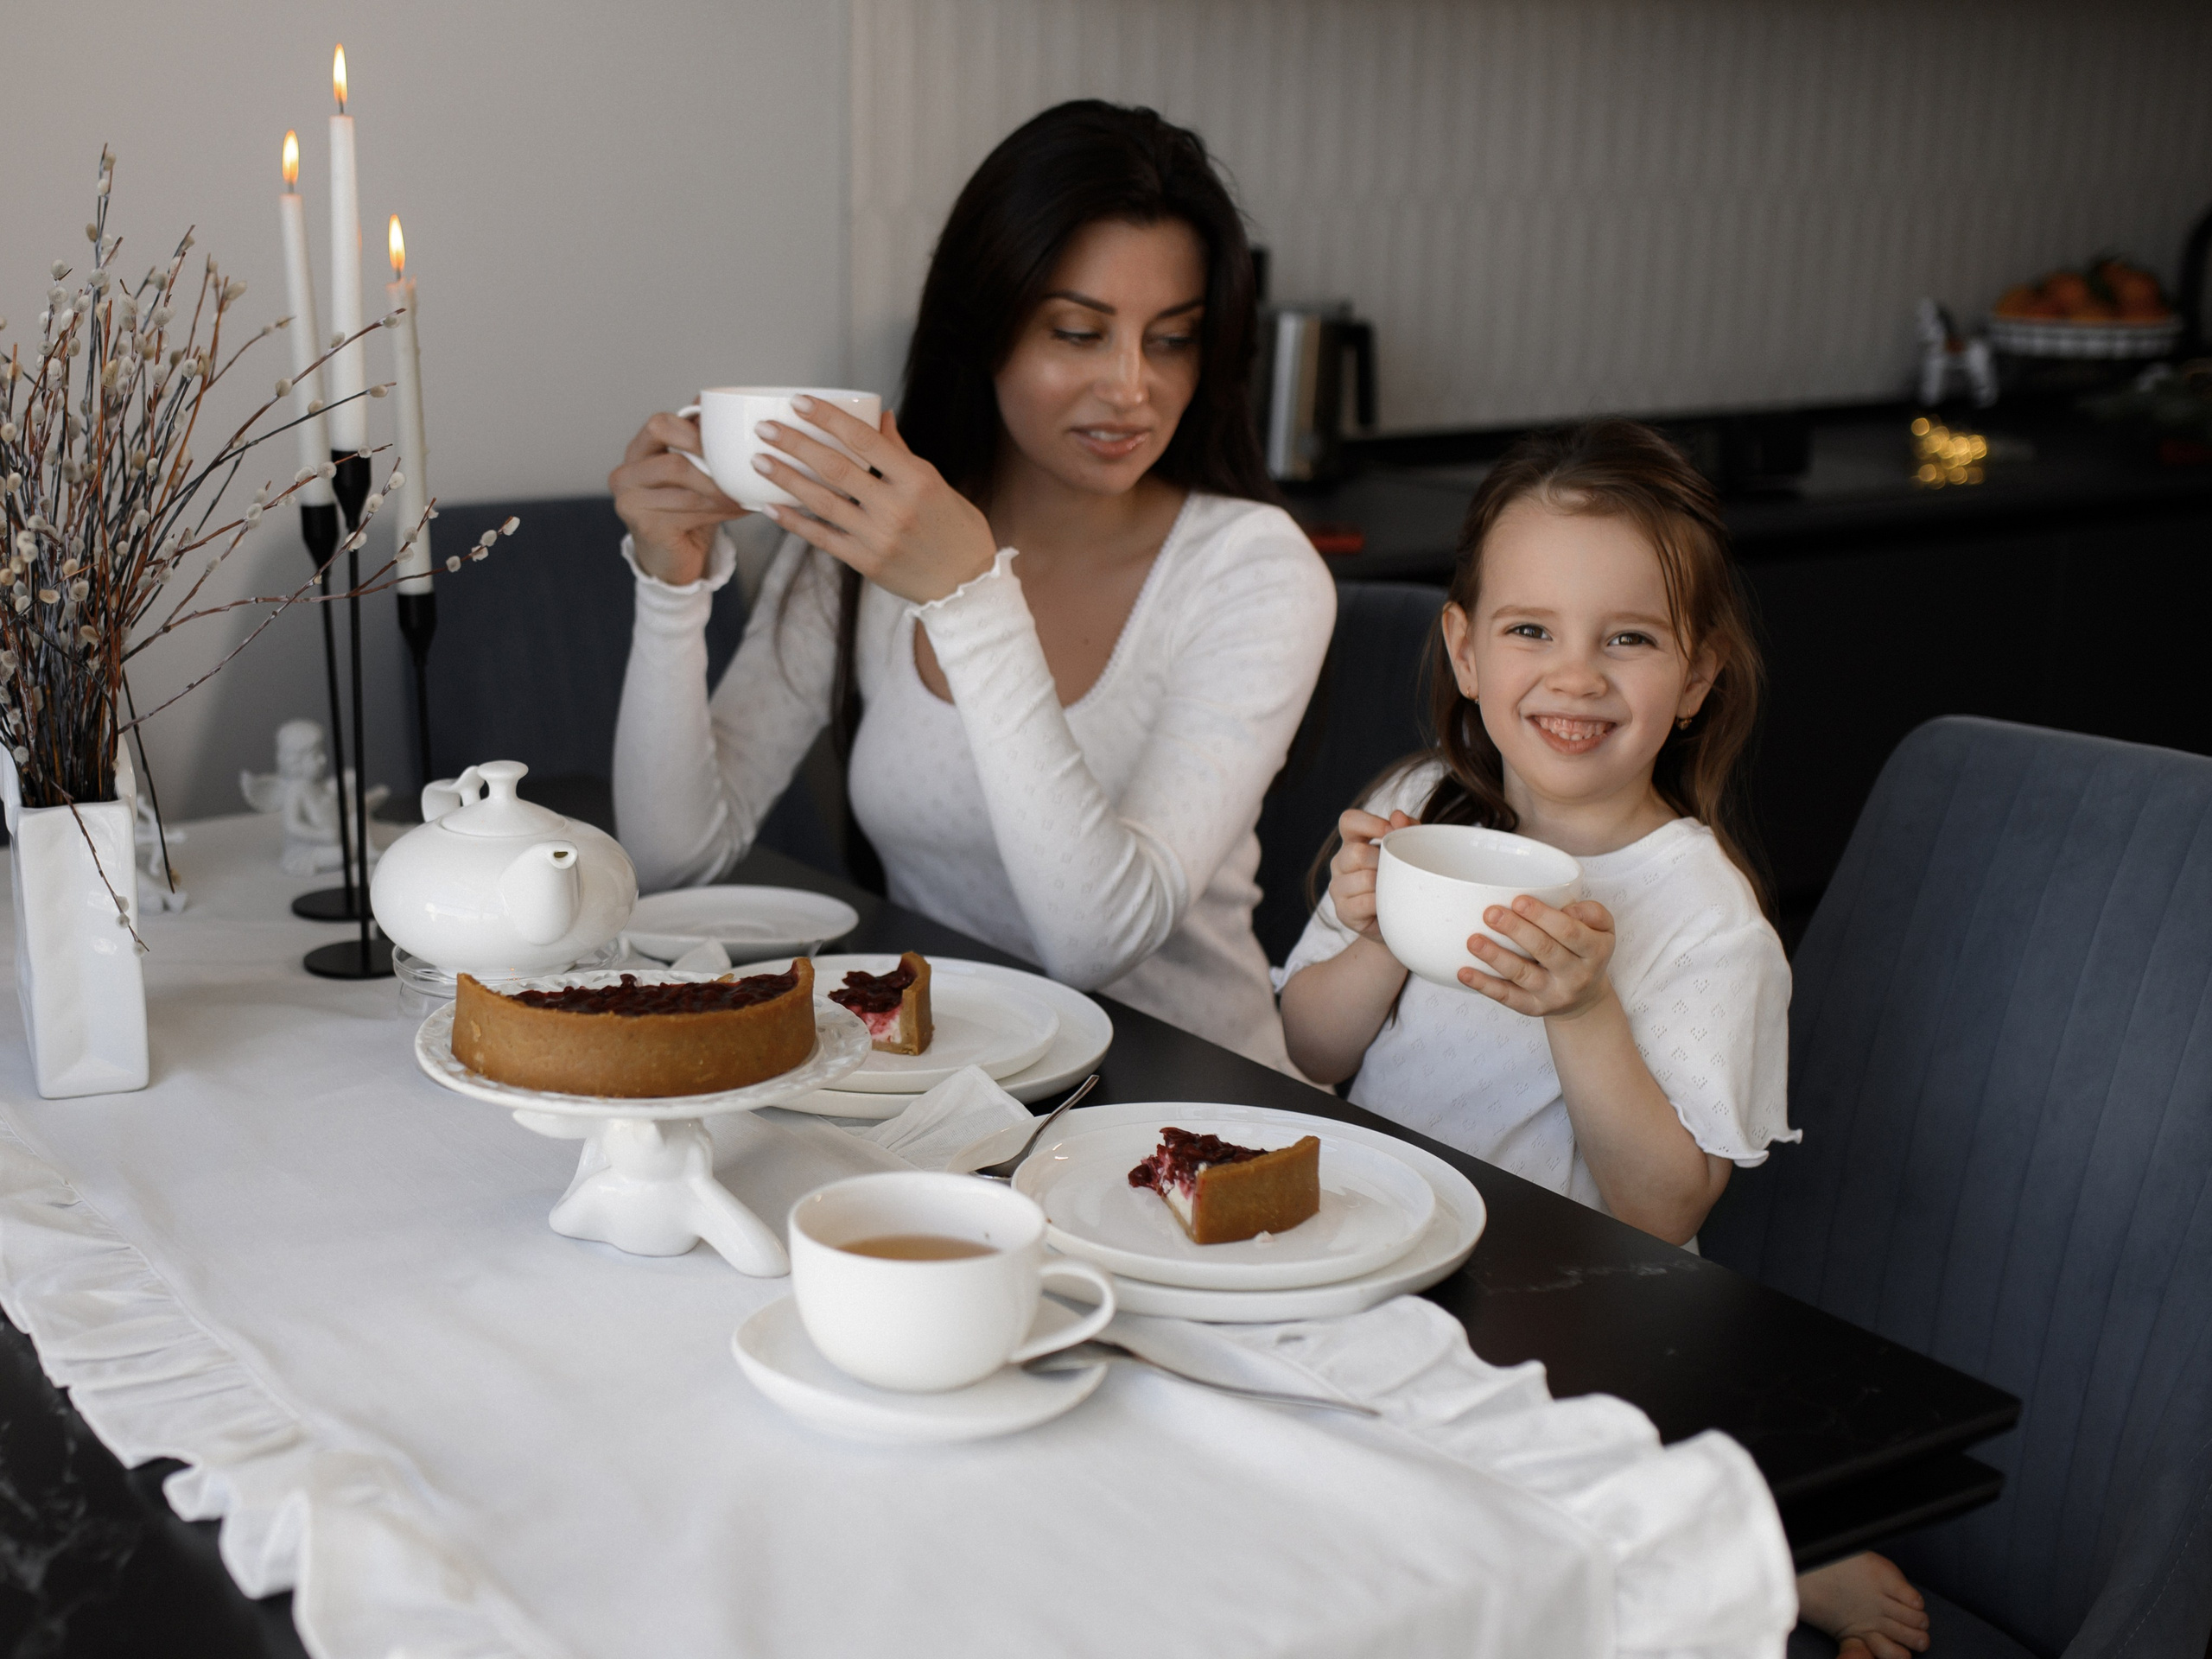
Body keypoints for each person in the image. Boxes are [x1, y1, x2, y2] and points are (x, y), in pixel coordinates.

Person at [1275, 419, 1927, 1658]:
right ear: (1465, 650)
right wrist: (1369, 932)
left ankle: (1769, 1536)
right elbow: (1311, 1047)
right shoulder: (1420, 811)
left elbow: (1663, 1209)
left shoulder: (1704, 917)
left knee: (1513, 1528)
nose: (1574, 678)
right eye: (1530, 630)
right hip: (1395, 1258)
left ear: (1695, 680)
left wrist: (1585, 1009)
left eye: (1626, 639)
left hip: (1561, 1311)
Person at [608, 101, 1334, 1070]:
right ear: (982, 329)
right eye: (1078, 332)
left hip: (1189, 1100)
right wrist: (671, 587)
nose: (1132, 387)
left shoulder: (1254, 567)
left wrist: (968, 595)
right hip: (941, 1087)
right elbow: (674, 860)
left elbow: (1096, 939)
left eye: (1171, 339)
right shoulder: (866, 538)